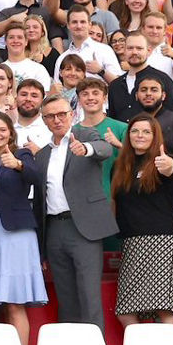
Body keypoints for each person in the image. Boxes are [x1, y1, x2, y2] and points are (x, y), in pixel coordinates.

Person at [35, 91, 117, 328]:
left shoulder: (84, 135)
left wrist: (87, 149)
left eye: (62, 114)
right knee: (66, 298)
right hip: (54, 230)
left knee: (89, 297)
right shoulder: (42, 154)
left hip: (83, 228)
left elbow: (105, 148)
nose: (57, 120)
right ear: (44, 120)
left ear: (72, 115)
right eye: (51, 116)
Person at [0, 110, 48, 345]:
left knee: (15, 302)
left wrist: (18, 165)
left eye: (2, 130)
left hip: (15, 234)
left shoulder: (22, 154)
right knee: (5, 305)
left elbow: (37, 177)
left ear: (10, 133)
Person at [111, 114, 173, 344]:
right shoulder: (122, 166)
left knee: (164, 309)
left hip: (159, 242)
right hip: (131, 244)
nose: (140, 136)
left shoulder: (163, 161)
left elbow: (172, 175)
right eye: (135, 131)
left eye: (146, 132)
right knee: (125, 310)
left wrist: (169, 167)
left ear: (155, 137)